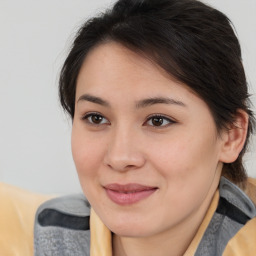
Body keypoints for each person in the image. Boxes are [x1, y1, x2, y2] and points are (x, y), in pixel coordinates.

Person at [34, 0, 256, 255]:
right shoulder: (23, 236)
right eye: (96, 118)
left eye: (158, 120)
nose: (119, 157)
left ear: (231, 136)